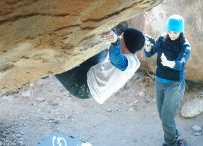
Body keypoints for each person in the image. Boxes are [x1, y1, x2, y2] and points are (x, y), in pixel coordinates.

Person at [55, 26, 145, 104]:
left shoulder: (131, 63)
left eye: (121, 36)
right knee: (99, 44)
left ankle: (43, 71)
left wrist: (114, 42)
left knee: (55, 64)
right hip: (93, 71)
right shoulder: (130, 55)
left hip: (84, 86)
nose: (119, 37)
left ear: (124, 42)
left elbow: (116, 60)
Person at [144, 15, 191, 146]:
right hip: (160, 81)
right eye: (170, 31)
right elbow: (149, 53)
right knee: (163, 116)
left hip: (174, 84)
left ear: (181, 31)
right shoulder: (162, 38)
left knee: (167, 118)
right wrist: (147, 46)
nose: (171, 34)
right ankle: (174, 135)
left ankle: (171, 143)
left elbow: (181, 63)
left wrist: (169, 63)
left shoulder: (185, 45)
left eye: (175, 32)